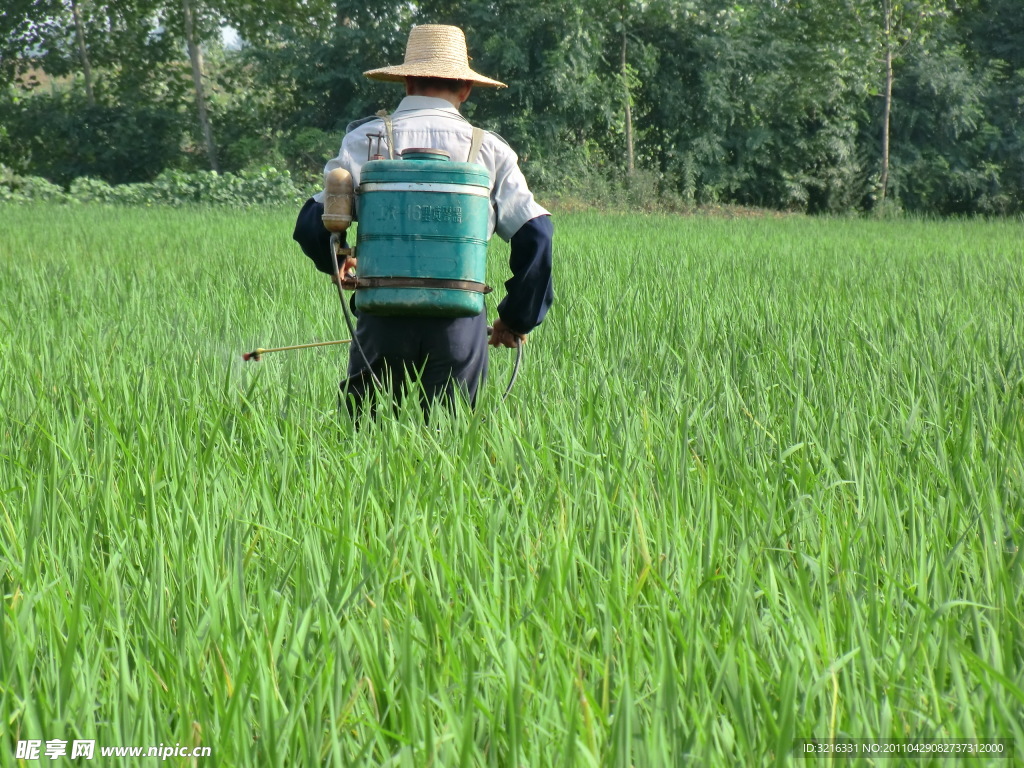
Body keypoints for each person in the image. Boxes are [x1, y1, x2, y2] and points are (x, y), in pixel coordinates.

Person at [293, 24, 553, 415]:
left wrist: (339, 262)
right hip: (459, 321)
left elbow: (313, 221)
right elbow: (537, 235)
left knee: (368, 438)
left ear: (408, 82)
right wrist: (516, 319)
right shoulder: (490, 150)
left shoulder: (365, 139)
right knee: (452, 442)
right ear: (464, 89)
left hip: (382, 312)